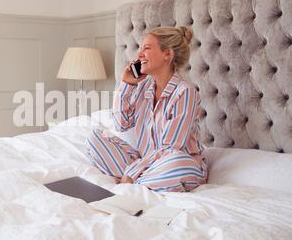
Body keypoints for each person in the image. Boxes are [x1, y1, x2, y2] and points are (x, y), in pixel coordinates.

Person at [85, 26, 208, 193]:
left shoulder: (185, 93)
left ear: (167, 54)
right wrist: (126, 84)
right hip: (146, 163)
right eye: (141, 48)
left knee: (176, 163)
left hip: (178, 164)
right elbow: (121, 124)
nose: (139, 54)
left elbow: (170, 148)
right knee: (94, 138)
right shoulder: (144, 87)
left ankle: (130, 184)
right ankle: (142, 182)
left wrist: (131, 173)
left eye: (147, 48)